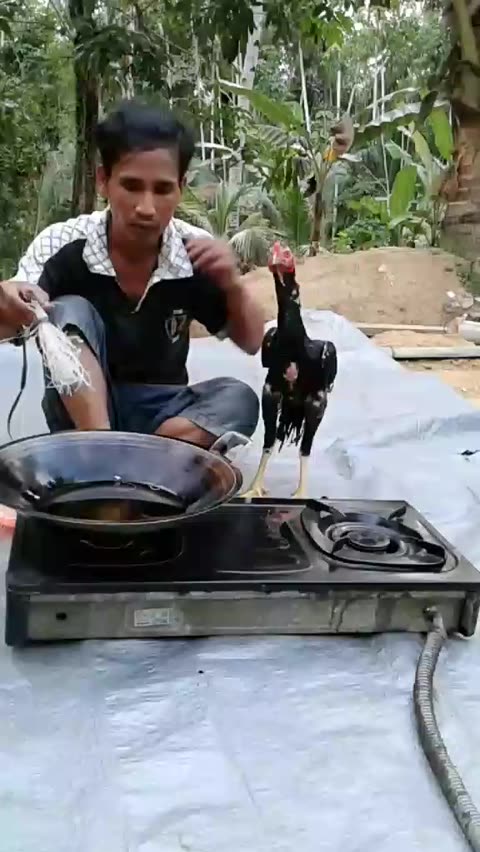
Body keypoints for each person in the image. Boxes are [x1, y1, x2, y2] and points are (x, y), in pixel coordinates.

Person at [0, 99, 264, 456]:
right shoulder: (61, 244)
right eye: (132, 186)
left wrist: (232, 285)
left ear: (181, 187)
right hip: (79, 416)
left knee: (239, 399)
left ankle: (129, 464)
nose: (146, 208)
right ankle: (112, 450)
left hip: (163, 409)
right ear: (103, 181)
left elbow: (252, 341)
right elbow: (9, 325)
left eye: (162, 189)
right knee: (68, 310)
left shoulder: (196, 252)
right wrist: (8, 300)